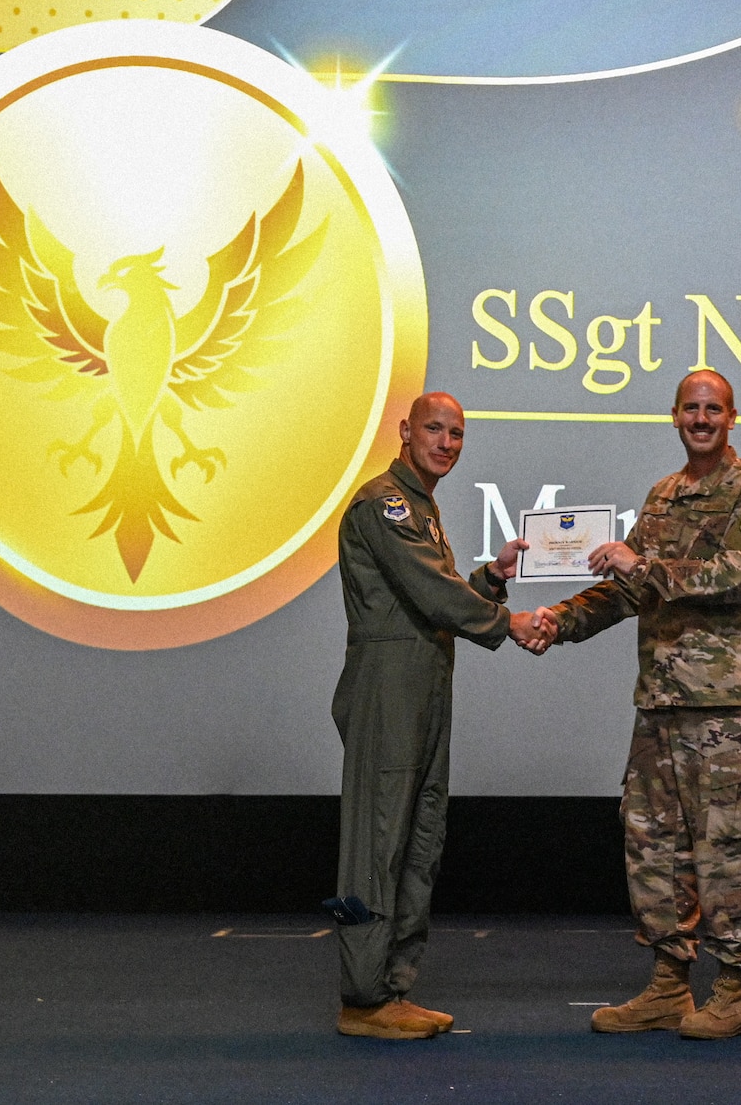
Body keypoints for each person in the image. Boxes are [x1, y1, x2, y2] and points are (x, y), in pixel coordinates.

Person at [532, 370, 741, 1039]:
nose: (701, 418)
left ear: (732, 416)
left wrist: (638, 564)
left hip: (724, 705)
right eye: (691, 409)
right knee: (651, 845)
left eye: (714, 408)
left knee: (724, 847)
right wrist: (556, 621)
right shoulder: (662, 495)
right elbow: (629, 592)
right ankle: (667, 985)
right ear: (674, 416)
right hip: (660, 702)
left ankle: (733, 989)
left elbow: (733, 576)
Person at [325, 391, 554, 1040]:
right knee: (379, 843)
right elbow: (429, 589)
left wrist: (492, 577)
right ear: (404, 430)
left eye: (457, 433)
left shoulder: (422, 507)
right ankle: (363, 996)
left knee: (419, 837)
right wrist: (506, 621)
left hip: (425, 686)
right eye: (435, 428)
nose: (447, 441)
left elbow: (432, 597)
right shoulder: (385, 503)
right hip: (388, 693)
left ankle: (393, 988)